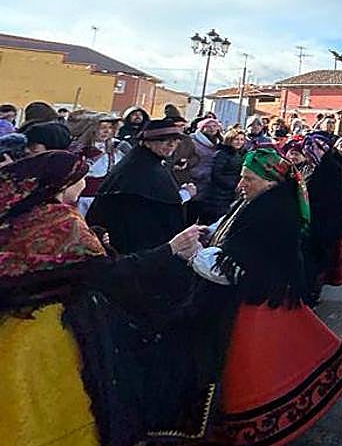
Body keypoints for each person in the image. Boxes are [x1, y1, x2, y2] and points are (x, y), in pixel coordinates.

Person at [0, 149, 211, 446]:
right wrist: (171, 249)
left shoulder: (23, 214)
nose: (85, 184)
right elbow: (107, 275)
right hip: (50, 332)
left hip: (15, 326)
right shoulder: (60, 220)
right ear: (62, 183)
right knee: (56, 411)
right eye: (80, 178)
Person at [186, 147, 342, 444]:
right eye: (242, 177)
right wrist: (209, 234)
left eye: (248, 179)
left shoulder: (270, 213)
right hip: (264, 296)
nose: (241, 184)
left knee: (253, 372)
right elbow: (232, 231)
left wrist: (194, 255)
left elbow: (237, 269)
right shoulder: (261, 201)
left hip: (254, 305)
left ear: (269, 182)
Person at [87, 119, 197, 254]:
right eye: (163, 140)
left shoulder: (147, 161)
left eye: (175, 140)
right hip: (136, 246)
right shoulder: (141, 167)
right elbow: (160, 202)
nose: (171, 144)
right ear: (147, 142)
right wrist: (186, 194)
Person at [303, 134, 342, 303]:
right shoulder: (310, 167)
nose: (309, 152)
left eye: (314, 148)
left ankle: (312, 295)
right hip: (310, 221)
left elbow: (332, 200)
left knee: (317, 262)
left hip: (324, 224)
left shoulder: (332, 169)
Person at [201, 126, 247, 224]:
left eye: (242, 140)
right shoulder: (222, 153)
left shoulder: (239, 154)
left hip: (230, 193)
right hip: (218, 194)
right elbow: (216, 174)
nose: (239, 142)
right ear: (229, 140)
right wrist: (233, 184)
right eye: (236, 139)